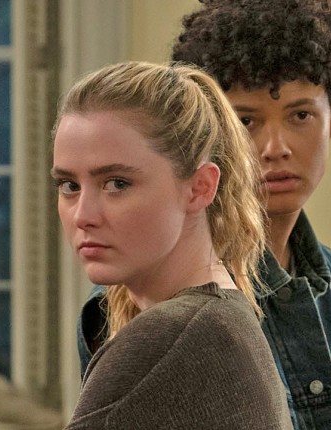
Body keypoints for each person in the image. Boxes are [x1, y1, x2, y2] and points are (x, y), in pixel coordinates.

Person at [78, 1, 331, 429]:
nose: (276, 148)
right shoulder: (149, 298)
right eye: (247, 121)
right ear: (211, 135)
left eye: (301, 115)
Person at [52, 61, 292, 429]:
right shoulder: (218, 319)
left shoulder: (172, 335)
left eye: (117, 183)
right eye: (69, 186)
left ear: (200, 187)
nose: (83, 215)